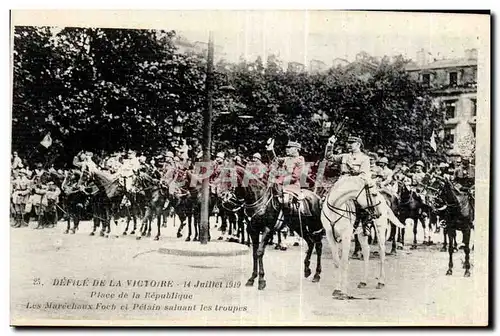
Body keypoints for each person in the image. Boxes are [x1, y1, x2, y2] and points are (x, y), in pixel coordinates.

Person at [325, 135, 383, 224]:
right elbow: (329, 157)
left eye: (352, 143)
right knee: (326, 198)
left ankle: (364, 224)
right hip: (341, 181)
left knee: (362, 203)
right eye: (349, 143)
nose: (349, 145)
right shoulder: (344, 156)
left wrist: (351, 181)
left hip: (355, 184)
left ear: (359, 144)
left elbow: (363, 175)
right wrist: (330, 144)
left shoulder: (364, 158)